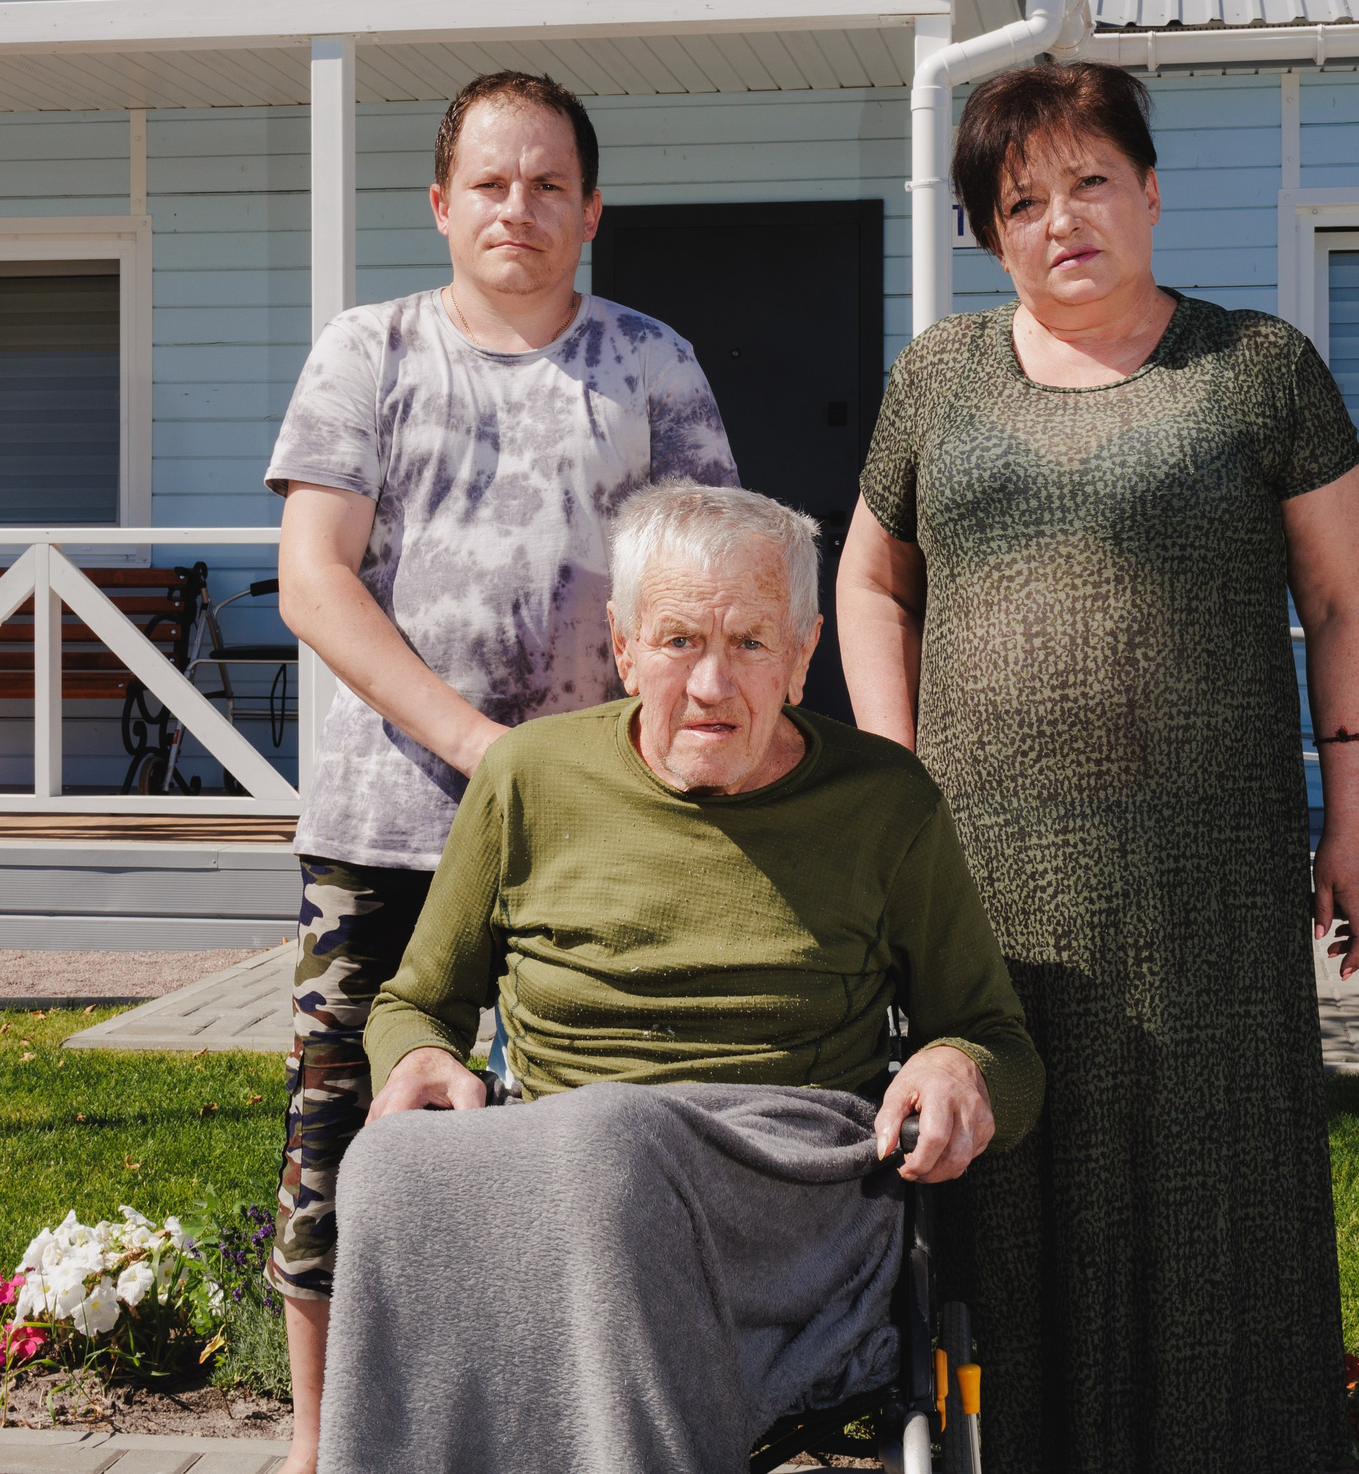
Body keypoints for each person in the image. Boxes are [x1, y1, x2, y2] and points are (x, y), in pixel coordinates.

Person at [836, 60, 1359, 1474]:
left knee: (1214, 1202)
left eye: (1090, 181)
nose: (1061, 218)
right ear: (989, 233)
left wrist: (1356, 816)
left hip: (1206, 876)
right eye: (1022, 199)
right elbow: (869, 584)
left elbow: (1342, 599)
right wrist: (895, 792)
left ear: (1149, 190)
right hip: (988, 879)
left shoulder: (1258, 367)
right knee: (1006, 1192)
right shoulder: (936, 376)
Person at [315, 481, 1041, 1474]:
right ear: (622, 650)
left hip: (787, 1185)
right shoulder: (526, 778)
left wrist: (958, 1064)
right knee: (389, 1168)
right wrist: (419, 1057)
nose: (711, 684)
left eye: (748, 643)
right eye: (677, 643)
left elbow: (998, 1039)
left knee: (613, 1139)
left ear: (801, 656)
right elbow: (414, 1002)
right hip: (567, 1160)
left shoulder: (884, 804)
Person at [262, 71, 738, 1474]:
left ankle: (532, 1427)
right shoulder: (371, 349)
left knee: (563, 1139)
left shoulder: (655, 363)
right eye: (489, 182)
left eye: (546, 184)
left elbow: (705, 579)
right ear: (441, 203)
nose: (516, 208)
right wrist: (481, 747)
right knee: (343, 1122)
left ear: (590, 209)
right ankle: (319, 1438)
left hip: (598, 829)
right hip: (384, 826)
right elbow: (312, 578)